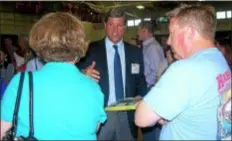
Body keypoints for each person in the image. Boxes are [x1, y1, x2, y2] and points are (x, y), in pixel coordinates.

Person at [1, 12, 106, 140]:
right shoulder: (93, 88)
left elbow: (2, 131)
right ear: (80, 45)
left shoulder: (21, 83)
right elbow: (94, 127)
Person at [135, 4, 231, 140]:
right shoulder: (218, 59)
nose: (168, 41)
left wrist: (145, 106)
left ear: (190, 32)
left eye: (172, 33)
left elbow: (141, 118)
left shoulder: (184, 69)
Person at [78, 8, 147, 140]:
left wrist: (144, 100)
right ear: (105, 26)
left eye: (119, 25)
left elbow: (140, 82)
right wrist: (83, 73)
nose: (115, 30)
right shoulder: (90, 50)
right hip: (102, 114)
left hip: (128, 115)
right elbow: (75, 76)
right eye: (111, 25)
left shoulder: (135, 52)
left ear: (125, 27)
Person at [137, 21, 167, 140]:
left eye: (138, 30)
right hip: (147, 88)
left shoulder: (153, 48)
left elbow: (157, 73)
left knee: (150, 127)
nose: (137, 33)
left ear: (144, 31)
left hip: (151, 88)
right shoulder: (147, 46)